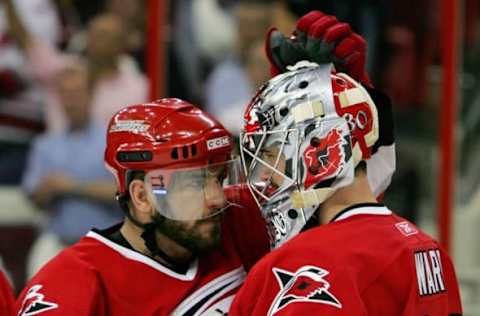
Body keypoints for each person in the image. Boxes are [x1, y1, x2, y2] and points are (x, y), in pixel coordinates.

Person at [228, 12, 463, 316]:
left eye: (273, 157)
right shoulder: (429, 251)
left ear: (317, 153)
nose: (267, 179)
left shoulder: (305, 266)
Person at [15, 98, 270, 315]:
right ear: (142, 197)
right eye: (194, 184)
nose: (218, 198)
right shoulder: (70, 285)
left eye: (219, 177)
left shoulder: (235, 219)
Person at [21, 60, 120, 278]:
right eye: (65, 94)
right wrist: (46, 190)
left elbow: (123, 193)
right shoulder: (45, 144)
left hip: (106, 243)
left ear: (90, 94)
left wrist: (71, 186)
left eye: (76, 92)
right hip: (58, 242)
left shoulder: (111, 141)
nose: (71, 100)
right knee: (38, 274)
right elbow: (34, 198)